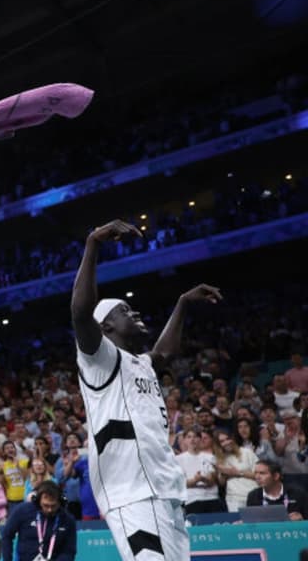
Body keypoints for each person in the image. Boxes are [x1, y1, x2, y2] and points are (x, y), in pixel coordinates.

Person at [70, 218, 222, 560]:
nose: (133, 311)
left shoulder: (141, 363)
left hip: (164, 488)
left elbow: (165, 352)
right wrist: (93, 243)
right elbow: (80, 313)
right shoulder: (99, 360)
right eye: (124, 310)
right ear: (106, 325)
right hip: (129, 491)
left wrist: (182, 302)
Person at [0, 481, 77, 561]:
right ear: (38, 501)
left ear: (60, 502)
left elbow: (69, 551)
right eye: (46, 505)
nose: (49, 509)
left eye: (53, 506)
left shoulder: (68, 520)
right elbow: (7, 535)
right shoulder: (23, 511)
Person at [176, 430, 224, 514]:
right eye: (189, 437)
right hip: (192, 500)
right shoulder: (179, 459)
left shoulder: (210, 457)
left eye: (195, 436)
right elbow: (181, 484)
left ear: (200, 439)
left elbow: (212, 481)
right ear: (184, 440)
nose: (192, 439)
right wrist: (196, 480)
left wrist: (201, 479)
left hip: (212, 498)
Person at [214, 429, 259, 512]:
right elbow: (222, 483)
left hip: (253, 495)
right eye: (222, 441)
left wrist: (238, 473)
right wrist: (223, 473)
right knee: (237, 523)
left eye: (228, 439)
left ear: (233, 439)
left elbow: (258, 475)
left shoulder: (247, 452)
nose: (226, 442)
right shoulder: (220, 459)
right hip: (234, 498)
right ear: (218, 445)